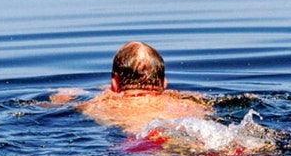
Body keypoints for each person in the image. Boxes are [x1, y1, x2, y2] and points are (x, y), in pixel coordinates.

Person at [49, 41, 213, 134]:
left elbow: (54, 106)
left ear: (114, 83)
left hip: (141, 146)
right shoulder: (190, 102)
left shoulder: (100, 105)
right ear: (164, 83)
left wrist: (63, 96)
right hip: (199, 140)